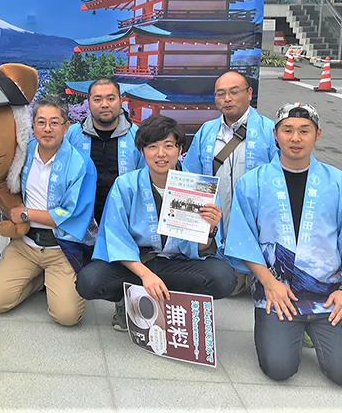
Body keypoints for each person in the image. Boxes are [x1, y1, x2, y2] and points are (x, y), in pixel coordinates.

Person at [225, 102, 342, 386]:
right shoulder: (253, 183)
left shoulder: (340, 183)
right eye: (288, 130)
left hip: (328, 294)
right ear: (276, 134)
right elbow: (241, 238)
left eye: (304, 131)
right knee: (279, 368)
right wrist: (269, 283)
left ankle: (312, 329)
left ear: (317, 134)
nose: (295, 138)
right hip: (276, 291)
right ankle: (288, 330)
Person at [76, 114, 237, 330]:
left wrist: (209, 230)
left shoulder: (199, 188)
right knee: (89, 281)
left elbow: (200, 249)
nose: (161, 154)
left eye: (168, 146)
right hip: (136, 264)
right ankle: (128, 299)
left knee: (224, 278)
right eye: (152, 146)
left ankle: (175, 303)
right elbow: (116, 239)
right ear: (142, 151)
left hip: (177, 263)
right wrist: (146, 275)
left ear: (180, 149)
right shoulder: (125, 185)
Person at [0, 96, 96, 326]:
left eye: (54, 123)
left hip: (61, 249)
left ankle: (52, 278)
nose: (47, 129)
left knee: (67, 317)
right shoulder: (23, 153)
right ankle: (40, 279)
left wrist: (27, 214)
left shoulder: (82, 165)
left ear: (66, 126)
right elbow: (7, 183)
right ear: (32, 125)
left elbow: (74, 216)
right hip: (25, 244)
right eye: (41, 122)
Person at [183, 71, 277, 294]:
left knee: (265, 289)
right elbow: (191, 178)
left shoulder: (269, 130)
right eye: (221, 94)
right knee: (226, 286)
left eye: (234, 92)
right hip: (220, 224)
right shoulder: (206, 132)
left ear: (249, 93)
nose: (227, 99)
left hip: (261, 227)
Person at [66, 78, 144, 225]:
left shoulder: (138, 137)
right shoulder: (71, 136)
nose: (104, 105)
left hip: (125, 224)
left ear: (121, 101)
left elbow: (147, 180)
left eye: (111, 98)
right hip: (79, 226)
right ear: (88, 102)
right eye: (97, 99)